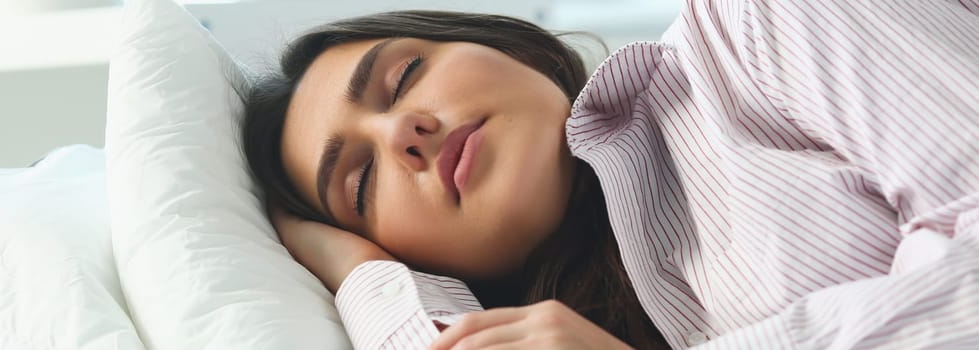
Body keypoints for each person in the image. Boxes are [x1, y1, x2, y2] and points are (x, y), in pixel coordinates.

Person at [241, 0, 979, 349]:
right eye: (362, 185)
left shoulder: (753, 25)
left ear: (508, 50)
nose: (402, 131)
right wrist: (361, 271)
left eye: (403, 76)